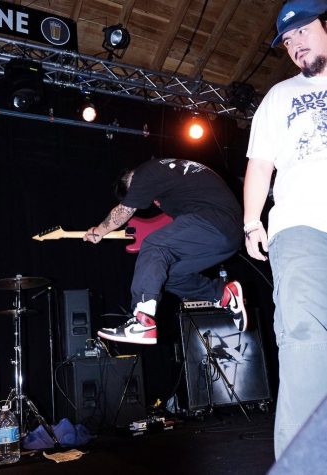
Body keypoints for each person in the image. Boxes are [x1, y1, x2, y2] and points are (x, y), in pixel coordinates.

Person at [243, 0, 327, 460]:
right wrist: (252, 221)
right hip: (302, 227)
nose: (295, 44)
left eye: (302, 31)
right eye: (287, 40)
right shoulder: (281, 96)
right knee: (305, 339)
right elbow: (260, 164)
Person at [83, 158, 247, 345]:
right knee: (168, 276)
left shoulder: (145, 172)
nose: (152, 202)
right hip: (227, 236)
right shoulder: (174, 180)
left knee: (154, 245)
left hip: (215, 221)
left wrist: (99, 231)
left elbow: (125, 211)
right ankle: (223, 294)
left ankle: (142, 320)